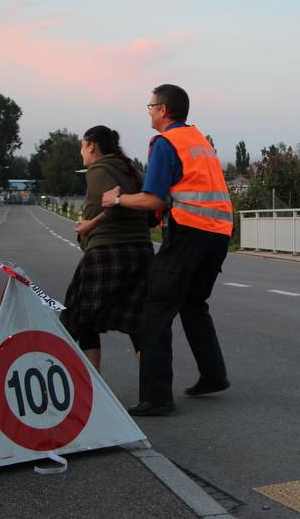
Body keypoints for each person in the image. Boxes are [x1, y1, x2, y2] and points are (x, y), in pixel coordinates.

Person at [101, 84, 232, 416]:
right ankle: (213, 375)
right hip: (219, 234)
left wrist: (116, 199)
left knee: (156, 309)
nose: (148, 111)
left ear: (162, 110)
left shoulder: (165, 142)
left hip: (188, 232)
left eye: (150, 106)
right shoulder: (198, 140)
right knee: (193, 303)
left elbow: (154, 198)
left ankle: (156, 397)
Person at [60, 126, 153, 371]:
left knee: (81, 316)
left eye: (82, 145)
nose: (81, 152)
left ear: (92, 145)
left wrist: (90, 223)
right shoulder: (132, 169)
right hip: (141, 250)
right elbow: (152, 203)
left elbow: (113, 206)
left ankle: (93, 381)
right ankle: (151, 381)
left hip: (108, 251)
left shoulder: (98, 171)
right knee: (136, 319)